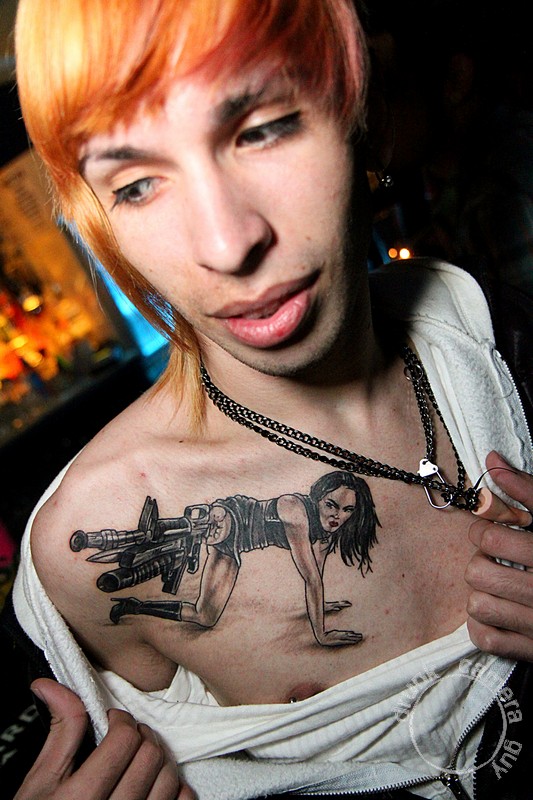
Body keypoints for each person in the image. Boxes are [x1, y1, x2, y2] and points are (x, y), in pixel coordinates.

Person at [6, 0, 533, 798]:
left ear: (358, 106)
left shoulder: (497, 342)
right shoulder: (83, 549)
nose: (227, 244)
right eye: (138, 184)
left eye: (262, 130)